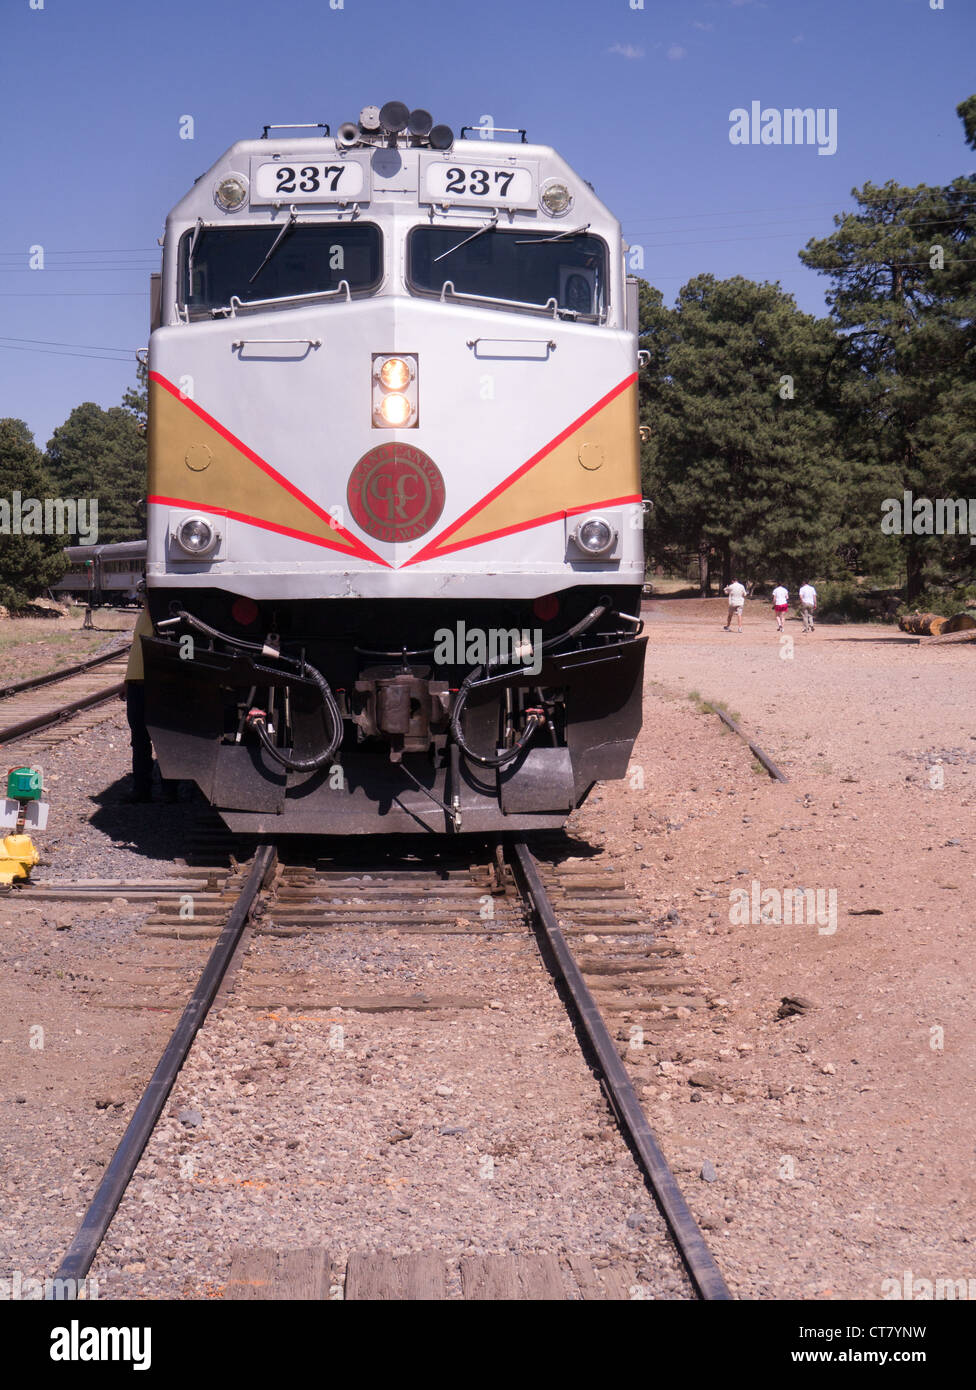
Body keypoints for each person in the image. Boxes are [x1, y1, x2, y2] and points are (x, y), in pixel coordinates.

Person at [124, 594, 178, 803]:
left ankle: (169, 790)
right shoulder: (142, 616)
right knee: (139, 740)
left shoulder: (162, 614)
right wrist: (127, 681)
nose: (141, 597)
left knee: (164, 739)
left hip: (157, 682)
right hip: (137, 682)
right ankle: (141, 789)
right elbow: (136, 649)